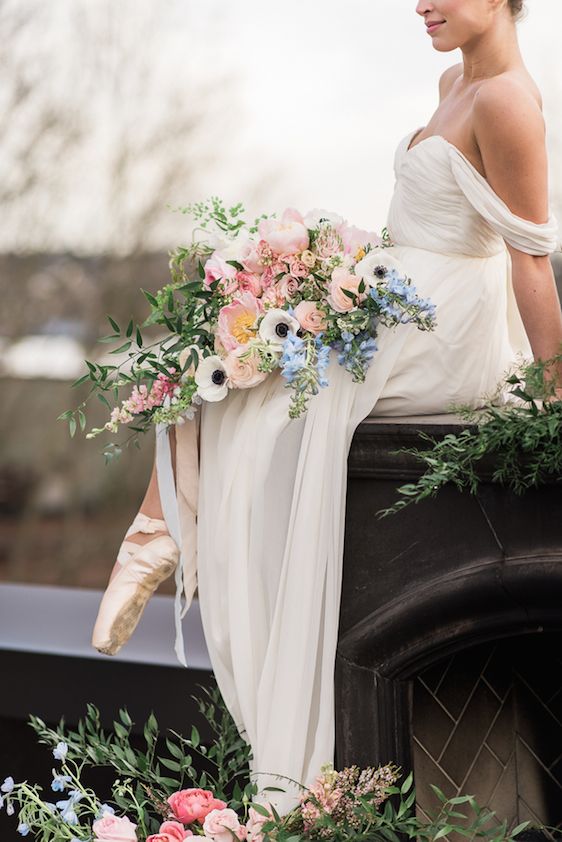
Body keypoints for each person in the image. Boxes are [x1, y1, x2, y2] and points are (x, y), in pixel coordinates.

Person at [91, 0, 562, 816]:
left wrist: (557, 403)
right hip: (396, 290)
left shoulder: (507, 101)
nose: (421, 3)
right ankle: (158, 524)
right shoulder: (455, 80)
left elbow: (530, 264)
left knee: (259, 380)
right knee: (234, 322)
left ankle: (160, 528)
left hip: (441, 324)